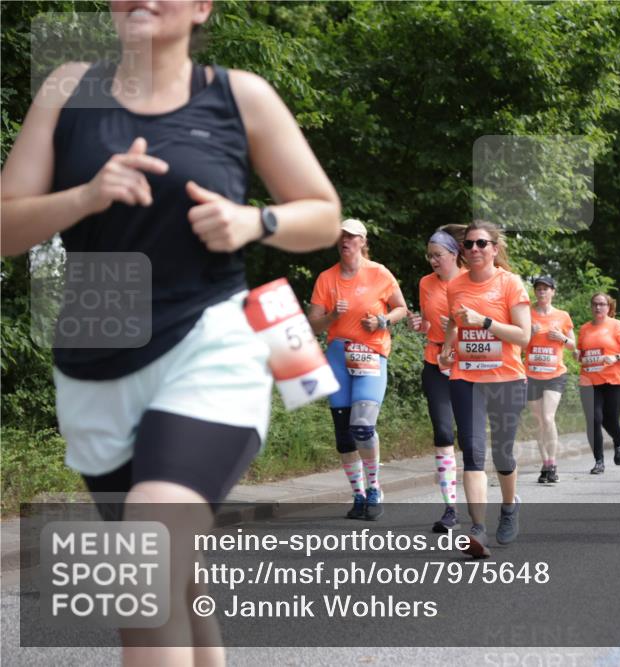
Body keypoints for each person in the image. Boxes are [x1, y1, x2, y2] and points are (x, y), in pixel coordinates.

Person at [0, 1, 341, 662]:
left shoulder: (240, 95)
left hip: (209, 341)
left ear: (202, 6)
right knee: (167, 584)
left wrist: (255, 222)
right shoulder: (68, 89)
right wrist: (85, 196)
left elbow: (323, 214)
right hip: (94, 359)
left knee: (143, 565)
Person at [439, 220, 531, 558]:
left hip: (506, 378)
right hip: (466, 379)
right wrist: (448, 347)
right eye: (468, 244)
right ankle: (477, 529)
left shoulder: (510, 284)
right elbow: (454, 321)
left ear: (494, 248)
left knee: (503, 453)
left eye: (481, 243)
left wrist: (485, 322)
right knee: (473, 453)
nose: (474, 249)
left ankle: (509, 506)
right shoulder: (455, 286)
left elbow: (524, 336)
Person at [309, 219, 407, 521]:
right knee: (344, 434)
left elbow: (401, 309)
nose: (345, 241)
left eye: (351, 237)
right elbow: (312, 324)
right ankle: (358, 494)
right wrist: (330, 318)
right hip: (338, 356)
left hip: (370, 354)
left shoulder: (379, 273)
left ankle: (375, 488)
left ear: (363, 241)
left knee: (362, 426)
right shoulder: (326, 278)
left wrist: (381, 321)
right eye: (341, 237)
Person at [408, 225, 466, 531]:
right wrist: (419, 325)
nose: (432, 260)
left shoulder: (472, 282)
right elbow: (427, 324)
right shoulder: (425, 283)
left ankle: (499, 496)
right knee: (443, 433)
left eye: (437, 255)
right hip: (435, 362)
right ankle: (450, 508)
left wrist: (457, 330)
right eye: (429, 256)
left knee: (469, 438)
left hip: (468, 364)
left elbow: (489, 327)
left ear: (454, 254)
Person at [577, 293, 620, 474]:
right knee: (594, 419)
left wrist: (616, 357)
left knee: (610, 420)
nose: (598, 307)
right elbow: (581, 354)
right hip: (589, 381)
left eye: (602, 304)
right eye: (595, 304)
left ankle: (618, 441)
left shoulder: (617, 326)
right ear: (591, 306)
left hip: (614, 380)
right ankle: (599, 461)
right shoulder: (584, 329)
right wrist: (577, 354)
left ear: (609, 307)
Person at [525, 275, 575, 484]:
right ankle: (545, 464)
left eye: (546, 289)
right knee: (538, 421)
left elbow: (573, 345)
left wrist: (562, 338)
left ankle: (553, 464)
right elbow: (517, 344)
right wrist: (529, 333)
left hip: (555, 374)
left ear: (553, 291)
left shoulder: (562, 316)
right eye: (538, 289)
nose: (542, 292)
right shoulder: (526, 314)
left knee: (547, 417)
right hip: (532, 374)